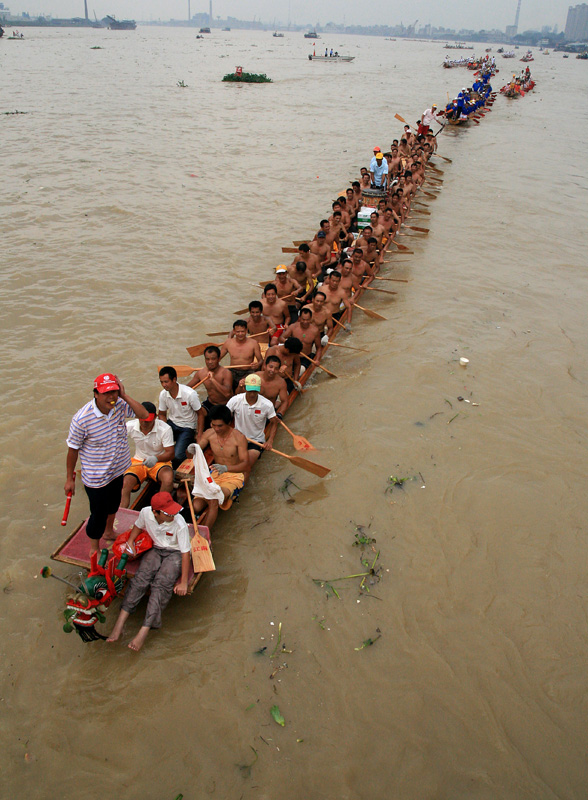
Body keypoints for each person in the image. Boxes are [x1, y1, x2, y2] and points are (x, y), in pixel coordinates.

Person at [65, 373, 149, 556]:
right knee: (98, 514)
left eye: (114, 392)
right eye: (106, 393)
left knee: (114, 505)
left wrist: (124, 396)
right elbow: (73, 450)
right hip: (96, 478)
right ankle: (94, 546)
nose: (111, 397)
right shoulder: (81, 419)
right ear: (96, 393)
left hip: (118, 470)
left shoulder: (119, 405)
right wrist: (69, 479)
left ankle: (109, 530)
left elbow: (144, 414)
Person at [106, 492, 191, 651]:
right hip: (156, 549)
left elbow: (185, 553)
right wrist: (130, 541)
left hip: (175, 553)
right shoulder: (146, 512)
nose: (172, 514)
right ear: (156, 512)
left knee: (161, 585)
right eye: (167, 512)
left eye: (173, 511)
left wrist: (184, 582)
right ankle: (119, 624)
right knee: (140, 579)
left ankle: (144, 630)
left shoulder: (180, 523)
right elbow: (138, 525)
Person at [188, 405, 248, 528]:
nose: (216, 429)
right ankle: (191, 526)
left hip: (233, 476)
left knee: (214, 499)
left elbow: (245, 465)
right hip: (215, 474)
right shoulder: (209, 434)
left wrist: (226, 468)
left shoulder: (239, 438)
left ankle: (205, 536)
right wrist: (190, 449)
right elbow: (193, 453)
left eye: (220, 426)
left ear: (229, 423)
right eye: (213, 425)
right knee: (196, 506)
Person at [121, 402, 175, 508]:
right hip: (139, 462)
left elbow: (170, 453)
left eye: (148, 420)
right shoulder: (129, 426)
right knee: (124, 485)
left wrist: (155, 458)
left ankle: (159, 508)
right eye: (142, 419)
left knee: (168, 479)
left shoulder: (165, 429)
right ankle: (121, 513)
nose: (145, 423)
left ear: (155, 417)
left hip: (159, 461)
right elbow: (114, 442)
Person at [226, 374, 278, 470]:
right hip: (237, 439)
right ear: (245, 388)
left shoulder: (267, 405)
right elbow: (224, 418)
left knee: (245, 466)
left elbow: (274, 422)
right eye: (250, 390)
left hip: (256, 441)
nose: (252, 394)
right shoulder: (235, 400)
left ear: (259, 389)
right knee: (230, 462)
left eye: (255, 391)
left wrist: (270, 441)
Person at [158, 366, 205, 466]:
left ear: (174, 379)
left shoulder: (190, 394)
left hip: (187, 427)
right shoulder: (163, 394)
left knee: (177, 456)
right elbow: (161, 414)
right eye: (161, 382)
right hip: (172, 424)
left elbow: (200, 414)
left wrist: (199, 435)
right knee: (156, 447)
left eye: (166, 382)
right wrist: (163, 430)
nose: (164, 385)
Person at [186, 345, 233, 415]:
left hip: (225, 405)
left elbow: (227, 394)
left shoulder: (226, 373)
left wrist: (213, 380)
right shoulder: (201, 373)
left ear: (219, 359)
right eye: (207, 359)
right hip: (210, 403)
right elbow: (187, 388)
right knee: (199, 413)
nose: (210, 362)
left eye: (213, 359)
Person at [219, 320, 263, 389]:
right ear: (234, 331)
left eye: (242, 331)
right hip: (232, 371)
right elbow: (218, 358)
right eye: (238, 332)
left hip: (248, 372)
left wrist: (257, 364)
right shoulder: (228, 343)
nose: (240, 334)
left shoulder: (253, 343)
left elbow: (261, 360)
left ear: (246, 331)